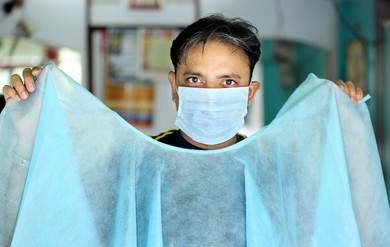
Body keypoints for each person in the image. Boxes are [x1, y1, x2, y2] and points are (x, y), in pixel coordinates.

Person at [2, 14, 364, 150]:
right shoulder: (138, 157)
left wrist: (348, 123)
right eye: (195, 79)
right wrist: (30, 110)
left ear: (250, 93)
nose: (209, 95)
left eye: (227, 83)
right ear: (175, 87)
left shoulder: (269, 163)